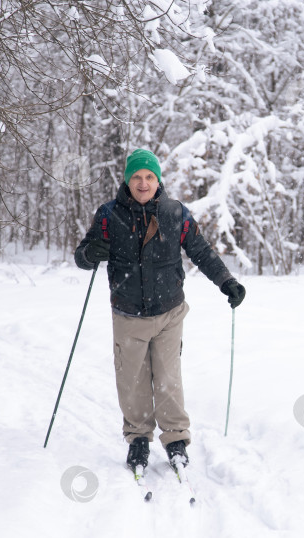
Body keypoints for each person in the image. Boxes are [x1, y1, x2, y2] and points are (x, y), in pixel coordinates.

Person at [74, 148, 245, 471]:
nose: (143, 183)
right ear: (127, 180)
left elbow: (201, 251)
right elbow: (83, 255)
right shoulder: (109, 215)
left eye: (149, 177)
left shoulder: (175, 213)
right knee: (133, 380)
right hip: (128, 314)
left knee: (168, 377)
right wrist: (89, 254)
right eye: (136, 177)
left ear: (158, 180)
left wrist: (226, 281)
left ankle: (176, 440)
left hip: (169, 312)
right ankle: (138, 440)